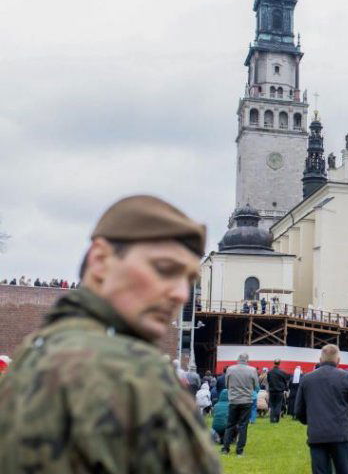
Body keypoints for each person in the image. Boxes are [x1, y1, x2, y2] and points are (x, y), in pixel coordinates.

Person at [0, 195, 219, 473]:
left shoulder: (32, 354)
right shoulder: (134, 371)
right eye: (164, 269)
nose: (180, 293)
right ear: (101, 260)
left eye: (188, 281)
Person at [295, 344, 348, 474]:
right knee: (344, 470)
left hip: (317, 434)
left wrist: (311, 422)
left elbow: (298, 410)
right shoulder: (346, 377)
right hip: (341, 433)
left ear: (320, 360)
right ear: (338, 361)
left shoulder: (307, 379)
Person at [222, 352, 259, 456]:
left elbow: (226, 384)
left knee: (230, 425)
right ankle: (240, 450)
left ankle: (225, 448)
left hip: (233, 400)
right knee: (243, 426)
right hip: (246, 400)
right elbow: (256, 386)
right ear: (247, 360)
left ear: (237, 359)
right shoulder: (252, 370)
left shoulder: (230, 369)